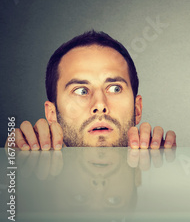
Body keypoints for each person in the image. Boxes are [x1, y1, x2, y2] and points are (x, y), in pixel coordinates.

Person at [12, 30, 175, 150]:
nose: (100, 105)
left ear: (137, 108)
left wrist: (161, 167)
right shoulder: (22, 172)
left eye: (115, 88)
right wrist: (11, 167)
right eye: (81, 91)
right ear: (52, 114)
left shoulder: (161, 171)